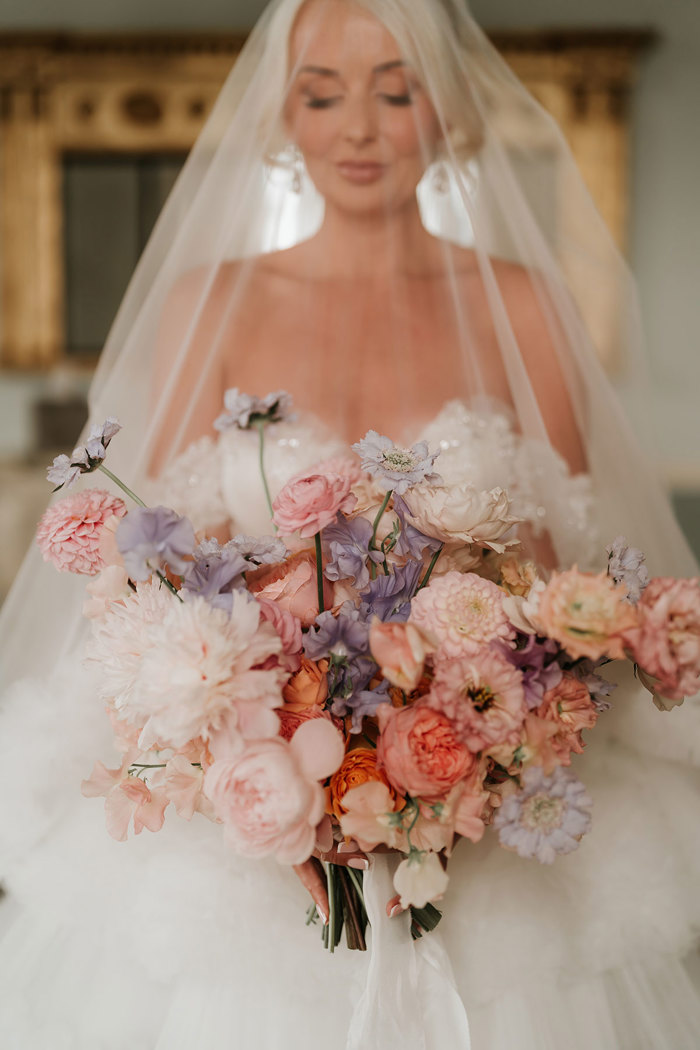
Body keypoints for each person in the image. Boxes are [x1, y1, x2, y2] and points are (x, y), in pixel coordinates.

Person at [1, 1, 699, 1047]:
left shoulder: (524, 306)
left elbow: (567, 584)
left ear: (449, 110)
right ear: (281, 114)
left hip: (481, 800)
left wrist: (478, 726)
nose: (357, 128)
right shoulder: (210, 301)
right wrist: (256, 737)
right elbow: (161, 574)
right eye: (321, 93)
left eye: (395, 88)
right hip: (238, 818)